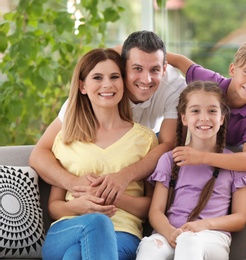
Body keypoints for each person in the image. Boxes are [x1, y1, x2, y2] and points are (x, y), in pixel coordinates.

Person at [29, 30, 186, 205]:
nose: (146, 79)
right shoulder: (100, 90)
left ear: (164, 69)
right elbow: (39, 154)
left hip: (143, 146)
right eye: (137, 68)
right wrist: (74, 184)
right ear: (123, 67)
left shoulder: (174, 86)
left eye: (154, 69)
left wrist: (124, 177)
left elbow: (168, 145)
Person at [41, 48, 158, 259]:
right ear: (82, 86)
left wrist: (112, 196)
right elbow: (54, 207)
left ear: (123, 83)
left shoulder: (145, 139)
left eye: (115, 77)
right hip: (68, 228)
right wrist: (76, 207)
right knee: (96, 222)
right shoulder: (66, 137)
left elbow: (149, 208)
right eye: (97, 77)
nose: (107, 84)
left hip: (123, 234)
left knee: (75, 255)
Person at [135, 81, 246, 260]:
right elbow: (156, 211)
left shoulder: (234, 163)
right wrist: (169, 232)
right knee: (150, 246)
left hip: (212, 237)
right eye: (195, 111)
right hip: (170, 234)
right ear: (184, 118)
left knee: (189, 241)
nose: (204, 118)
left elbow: (240, 218)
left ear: (222, 117)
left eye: (212, 111)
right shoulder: (170, 159)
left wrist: (204, 225)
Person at [166, 40, 246, 172]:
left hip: (221, 170)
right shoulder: (210, 83)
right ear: (232, 70)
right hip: (192, 161)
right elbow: (179, 61)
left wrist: (201, 157)